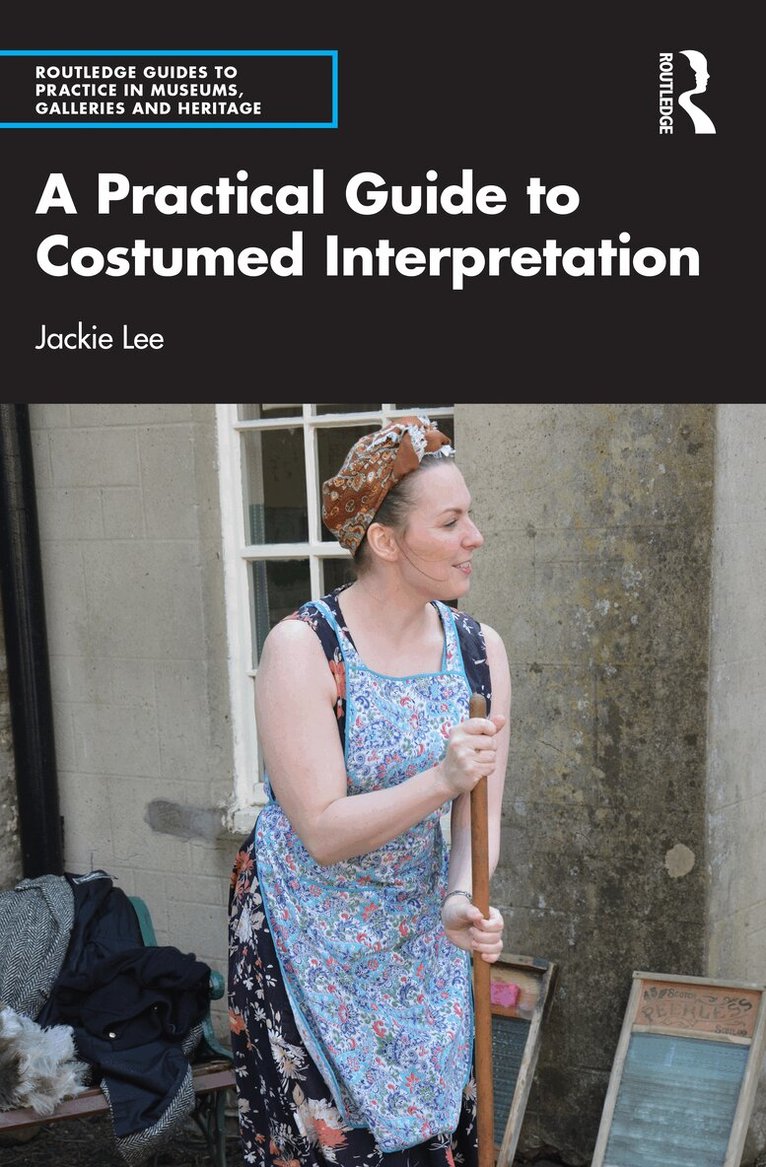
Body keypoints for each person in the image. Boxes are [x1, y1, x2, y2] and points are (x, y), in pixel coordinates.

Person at [228, 414, 511, 1167]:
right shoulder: (304, 648)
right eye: (450, 522)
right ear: (385, 541)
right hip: (304, 936)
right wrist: (441, 777)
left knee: (429, 1141)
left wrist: (460, 900)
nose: (475, 536)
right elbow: (322, 829)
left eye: (469, 515)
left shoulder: (479, 653)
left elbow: (480, 817)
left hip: (419, 933)